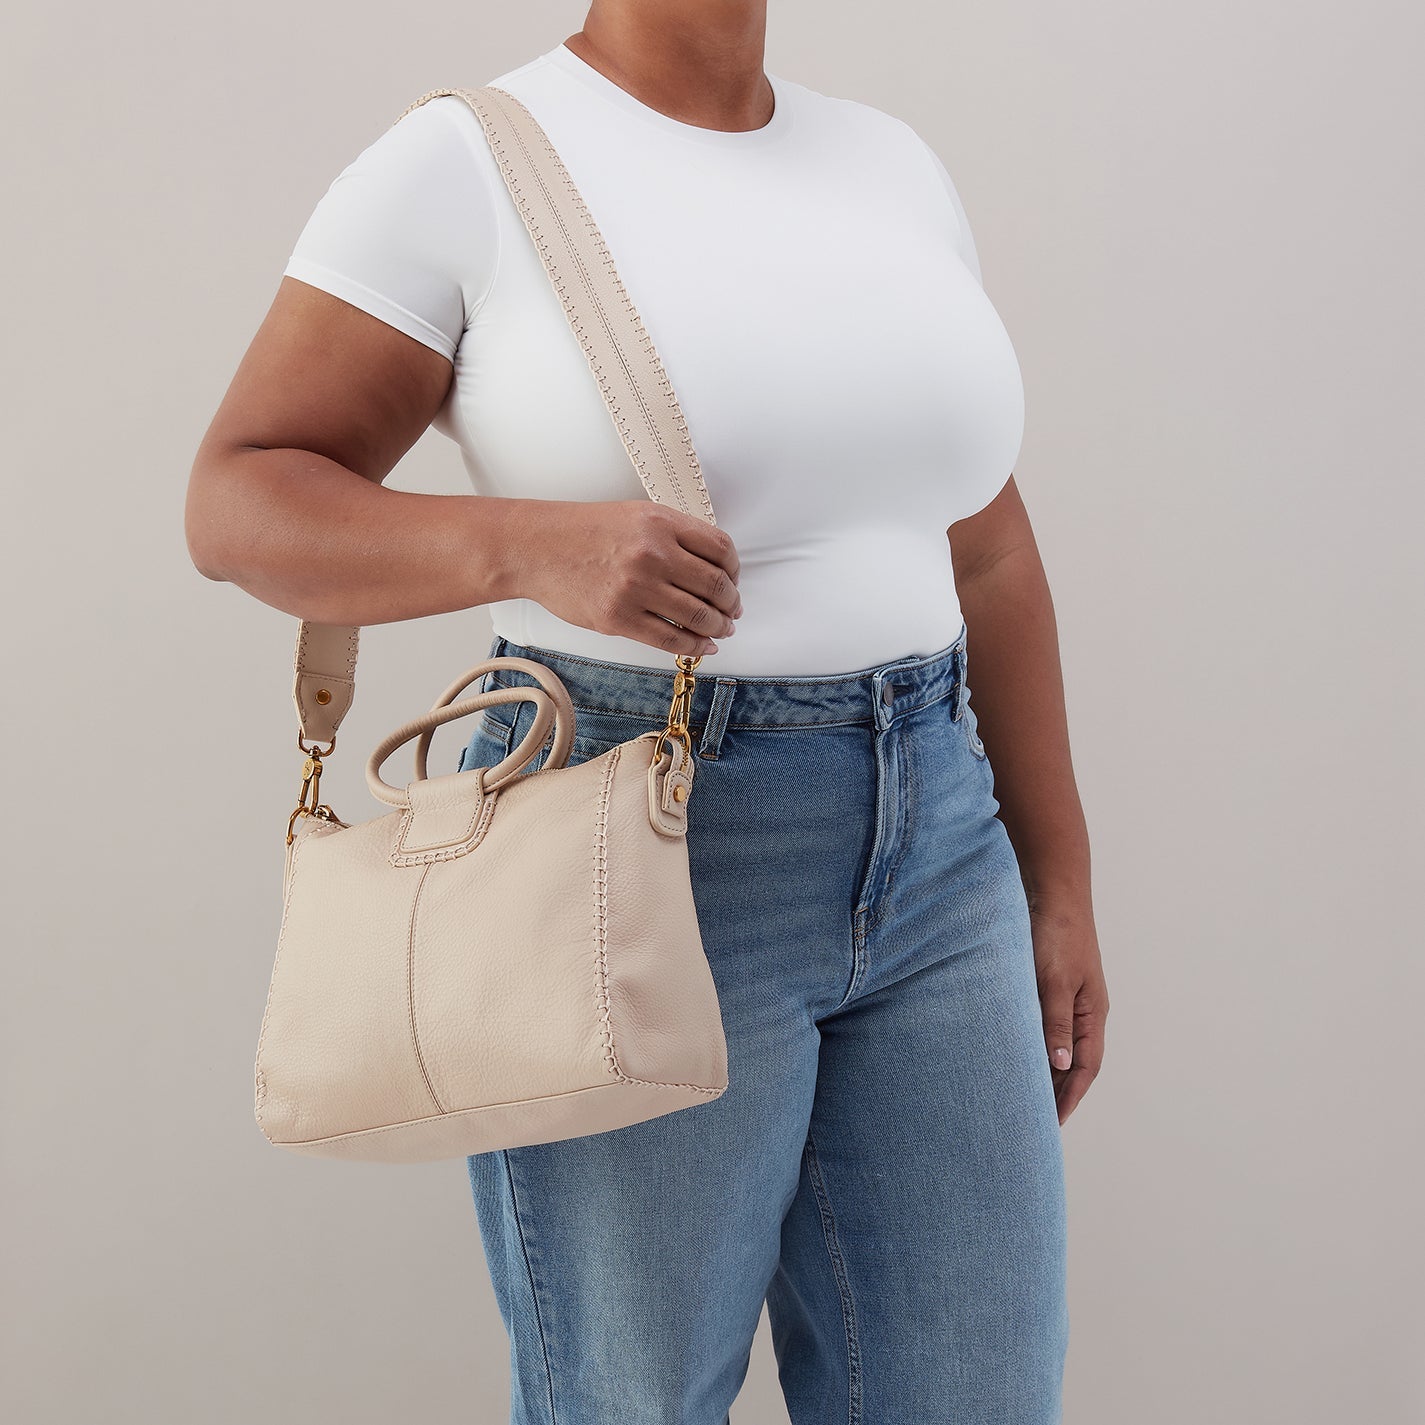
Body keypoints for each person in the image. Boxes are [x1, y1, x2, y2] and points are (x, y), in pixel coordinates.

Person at [186, 3, 1109, 1420]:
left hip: (942, 849)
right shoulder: (465, 165)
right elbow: (238, 498)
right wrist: (524, 545)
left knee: (973, 1391)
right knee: (629, 1397)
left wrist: (1056, 878)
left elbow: (982, 544)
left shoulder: (889, 164)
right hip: (639, 831)